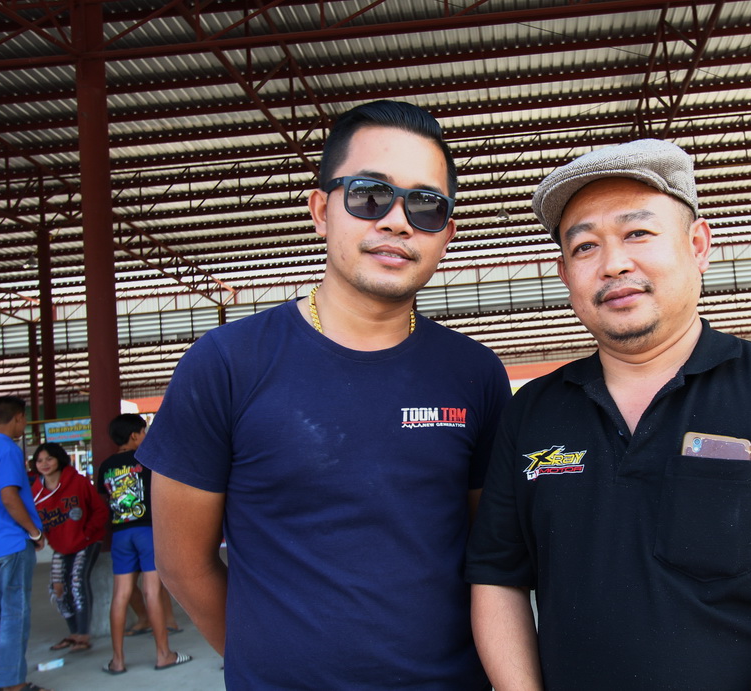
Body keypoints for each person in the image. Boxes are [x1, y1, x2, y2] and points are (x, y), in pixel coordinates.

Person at [465, 139, 751, 690]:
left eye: (638, 233)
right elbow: (497, 578)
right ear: (565, 273)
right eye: (585, 246)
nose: (614, 263)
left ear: (697, 245)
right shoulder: (533, 411)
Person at [137, 100, 510, 689]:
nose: (397, 222)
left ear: (446, 234)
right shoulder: (227, 364)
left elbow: (489, 554)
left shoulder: (475, 374)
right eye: (370, 195)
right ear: (320, 210)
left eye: (426, 205)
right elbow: (183, 563)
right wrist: (266, 663)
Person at [95, 414, 191, 675]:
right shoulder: (147, 460)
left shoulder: (106, 466)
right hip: (147, 532)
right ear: (134, 435)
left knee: (120, 595)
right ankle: (164, 654)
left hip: (120, 534)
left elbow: (105, 496)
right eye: (143, 432)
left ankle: (117, 661)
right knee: (151, 592)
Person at [0, 396, 50, 691]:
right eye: (24, 419)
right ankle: (13, 683)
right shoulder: (8, 450)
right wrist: (34, 532)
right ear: (18, 418)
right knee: (15, 613)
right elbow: (9, 497)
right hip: (11, 543)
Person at [30, 443, 107, 654]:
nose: (44, 464)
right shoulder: (35, 492)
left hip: (86, 542)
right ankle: (73, 632)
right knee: (58, 589)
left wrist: (87, 533)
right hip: (61, 547)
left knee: (76, 581)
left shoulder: (78, 482)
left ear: (59, 459)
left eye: (49, 459)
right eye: (39, 460)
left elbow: (100, 510)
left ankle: (83, 634)